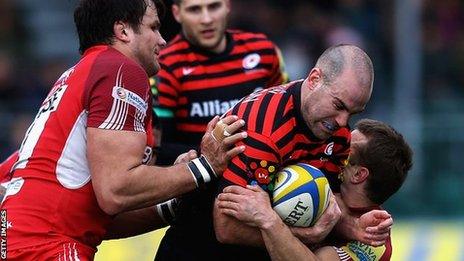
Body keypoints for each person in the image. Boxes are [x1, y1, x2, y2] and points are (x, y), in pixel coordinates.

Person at [1, 0, 246, 260]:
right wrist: (205, 166)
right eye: (154, 27)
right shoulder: (121, 70)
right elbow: (116, 191)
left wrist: (178, 196)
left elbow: (100, 218)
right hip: (46, 246)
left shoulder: (79, 73)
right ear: (123, 31)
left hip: (22, 241)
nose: (162, 40)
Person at [154, 44, 390, 260]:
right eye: (338, 106)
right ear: (315, 79)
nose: (342, 122)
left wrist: (352, 227)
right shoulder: (263, 130)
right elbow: (226, 228)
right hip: (198, 251)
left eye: (352, 113)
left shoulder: (339, 136)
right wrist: (306, 236)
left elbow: (325, 207)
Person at [217, 119, 414, 261]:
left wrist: (269, 220)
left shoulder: (374, 243)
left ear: (358, 175)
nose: (339, 145)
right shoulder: (318, 178)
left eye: (347, 150)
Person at [152, 0, 288, 165]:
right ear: (177, 13)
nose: (207, 19)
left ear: (228, 6)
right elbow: (159, 146)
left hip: (266, 167)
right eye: (195, 10)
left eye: (214, 6)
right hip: (202, 179)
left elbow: (287, 116)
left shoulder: (264, 50)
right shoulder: (163, 66)